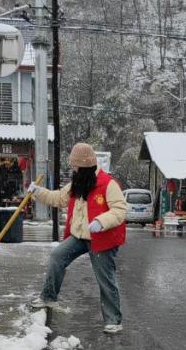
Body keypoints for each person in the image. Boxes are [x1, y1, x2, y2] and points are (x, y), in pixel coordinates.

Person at [28, 143, 127, 333]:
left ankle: (114, 320)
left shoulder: (108, 184)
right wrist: (37, 192)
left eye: (75, 166)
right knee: (57, 256)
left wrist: (101, 221)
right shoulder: (77, 184)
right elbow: (58, 198)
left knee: (105, 278)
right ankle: (49, 297)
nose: (72, 169)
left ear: (84, 166)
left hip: (101, 237)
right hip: (80, 236)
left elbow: (120, 211)